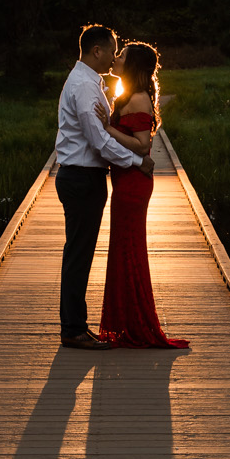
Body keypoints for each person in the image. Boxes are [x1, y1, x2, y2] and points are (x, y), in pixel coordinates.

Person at [53, 24, 153, 350]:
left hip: (85, 178)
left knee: (79, 253)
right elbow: (98, 142)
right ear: (97, 50)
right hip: (81, 178)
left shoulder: (91, 82)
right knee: (78, 254)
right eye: (113, 50)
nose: (114, 57)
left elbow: (106, 132)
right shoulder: (83, 87)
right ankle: (73, 329)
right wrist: (138, 162)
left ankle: (76, 325)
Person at [94, 42, 187, 349]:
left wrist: (107, 127)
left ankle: (133, 324)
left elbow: (143, 145)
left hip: (133, 184)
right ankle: (124, 323)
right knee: (124, 250)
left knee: (129, 250)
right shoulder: (128, 95)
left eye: (120, 56)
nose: (115, 58)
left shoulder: (140, 98)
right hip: (126, 181)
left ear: (131, 64)